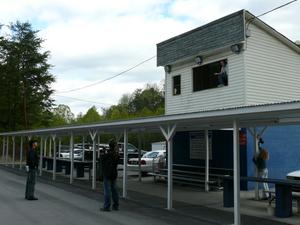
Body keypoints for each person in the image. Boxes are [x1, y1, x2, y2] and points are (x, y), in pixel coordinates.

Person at [100, 139, 120, 211]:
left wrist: (103, 153)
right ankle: (116, 205)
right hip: (114, 173)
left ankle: (106, 206)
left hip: (107, 173)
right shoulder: (116, 154)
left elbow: (102, 161)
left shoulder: (108, 154)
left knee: (107, 190)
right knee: (114, 190)